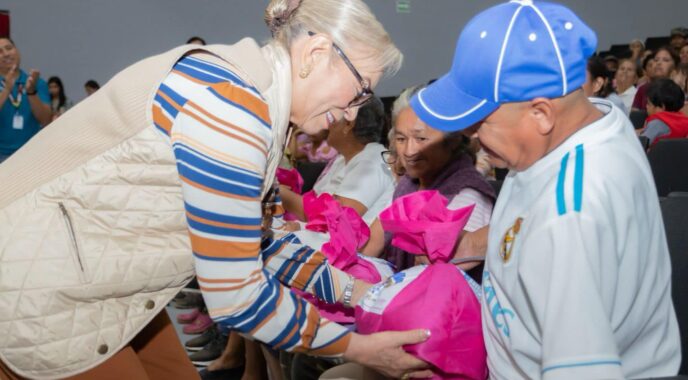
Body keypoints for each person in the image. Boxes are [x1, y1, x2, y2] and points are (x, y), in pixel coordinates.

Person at [0, 1, 433, 379]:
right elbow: (236, 295)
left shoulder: (252, 95)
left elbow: (265, 240)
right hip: (40, 282)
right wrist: (356, 348)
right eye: (360, 92)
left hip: (100, 276)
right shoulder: (231, 108)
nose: (353, 112)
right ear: (316, 54)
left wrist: (358, 292)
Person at [409, 1, 681, 379]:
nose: (468, 135)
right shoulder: (592, 119)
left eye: (478, 122)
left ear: (541, 113)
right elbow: (527, 220)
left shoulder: (570, 217)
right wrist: (468, 246)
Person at [362, 85, 495, 278]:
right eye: (400, 139)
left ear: (452, 141)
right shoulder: (409, 184)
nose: (408, 151)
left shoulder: (468, 193)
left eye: (421, 138)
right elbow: (372, 243)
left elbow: (434, 281)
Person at [280, 96, 394, 225]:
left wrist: (278, 192)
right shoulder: (342, 158)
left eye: (332, 116)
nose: (327, 124)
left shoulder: (373, 162)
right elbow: (315, 202)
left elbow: (334, 219)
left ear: (349, 123)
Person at [0, 37, 52, 162]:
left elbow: (46, 121)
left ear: (17, 51)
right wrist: (7, 89)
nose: (6, 53)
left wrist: (31, 92)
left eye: (9, 48)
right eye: (0, 51)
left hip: (31, 154)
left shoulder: (36, 83)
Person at [640, 78, 688, 146]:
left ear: (661, 107)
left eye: (648, 103)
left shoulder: (657, 123)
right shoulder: (682, 121)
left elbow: (640, 145)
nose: (646, 106)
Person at [632, 46, 679, 112]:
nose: (658, 63)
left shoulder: (679, 92)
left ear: (675, 69)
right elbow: (634, 116)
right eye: (656, 60)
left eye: (665, 60)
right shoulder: (643, 89)